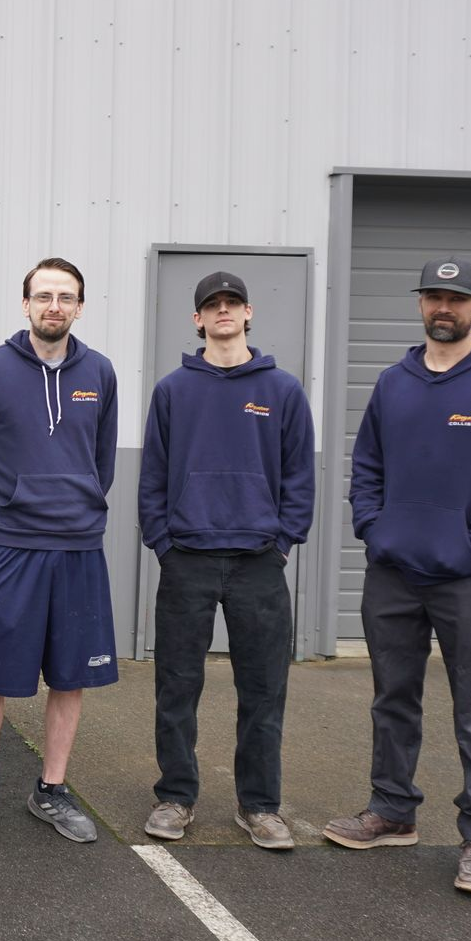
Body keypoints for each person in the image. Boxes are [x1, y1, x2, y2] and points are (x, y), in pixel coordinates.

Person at [326, 257, 471, 898]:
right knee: (392, 699)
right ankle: (392, 810)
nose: (443, 308)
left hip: (469, 579)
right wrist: (375, 529)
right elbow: (367, 466)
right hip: (393, 573)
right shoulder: (393, 383)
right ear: (421, 303)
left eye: (456, 298)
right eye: (433, 296)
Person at [137, 272, 315, 850]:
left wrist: (283, 541)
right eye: (211, 305)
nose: (222, 311)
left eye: (231, 303)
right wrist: (163, 543)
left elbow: (299, 475)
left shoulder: (282, 390)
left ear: (248, 312)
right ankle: (175, 797)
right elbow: (153, 475)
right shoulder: (173, 391)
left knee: (263, 691)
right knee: (177, 685)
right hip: (187, 558)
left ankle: (259, 806)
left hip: (258, 561)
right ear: (197, 319)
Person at [0, 257, 118, 845]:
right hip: (9, 548)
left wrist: (78, 503)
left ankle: (51, 789)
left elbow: (102, 462)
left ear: (79, 307)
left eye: (65, 297)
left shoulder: (100, 372)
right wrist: (3, 511)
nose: (54, 306)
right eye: (43, 296)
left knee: (70, 676)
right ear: (25, 304)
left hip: (78, 549)